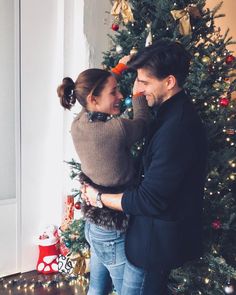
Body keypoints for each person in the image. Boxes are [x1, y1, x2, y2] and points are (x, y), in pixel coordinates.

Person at [82, 39, 208, 295]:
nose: (136, 90)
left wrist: (99, 197)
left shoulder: (178, 129)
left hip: (152, 244)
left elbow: (150, 200)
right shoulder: (166, 111)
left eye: (145, 82)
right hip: (141, 233)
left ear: (169, 82)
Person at [57, 58, 150, 295]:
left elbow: (93, 89)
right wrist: (138, 94)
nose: (119, 96)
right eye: (114, 92)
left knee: (97, 288)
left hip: (94, 223)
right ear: (93, 99)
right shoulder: (115, 130)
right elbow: (142, 122)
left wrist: (117, 70)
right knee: (125, 289)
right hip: (112, 227)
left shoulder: (79, 122)